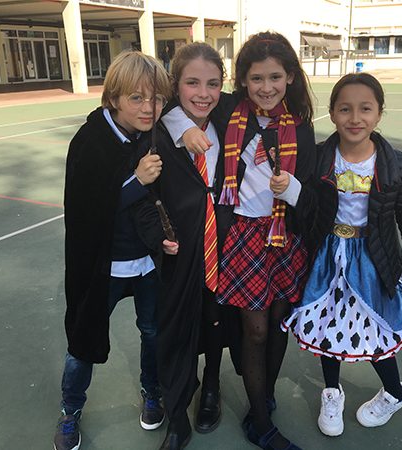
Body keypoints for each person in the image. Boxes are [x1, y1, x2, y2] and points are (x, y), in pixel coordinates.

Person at [165, 32, 316, 450]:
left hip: (285, 236)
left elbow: (313, 198)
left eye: (275, 77)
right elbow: (173, 108)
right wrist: (184, 129)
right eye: (256, 78)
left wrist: (293, 189)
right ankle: (261, 425)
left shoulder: (301, 127)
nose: (266, 87)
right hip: (243, 235)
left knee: (279, 324)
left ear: (290, 77)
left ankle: (262, 397)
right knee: (256, 330)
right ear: (243, 81)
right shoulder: (231, 110)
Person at [282, 72, 402, 437]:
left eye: (365, 109)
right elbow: (306, 209)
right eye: (345, 109)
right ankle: (332, 392)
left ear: (379, 113)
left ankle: (394, 392)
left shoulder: (398, 166)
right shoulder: (318, 158)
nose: (355, 118)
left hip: (373, 259)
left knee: (376, 330)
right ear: (332, 113)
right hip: (327, 256)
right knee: (326, 325)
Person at [53, 50, 177, 450]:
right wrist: (136, 181)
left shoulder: (154, 134)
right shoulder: (90, 141)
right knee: (83, 339)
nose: (148, 108)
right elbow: (87, 212)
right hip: (102, 266)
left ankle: (152, 392)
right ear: (113, 98)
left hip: (146, 263)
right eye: (136, 98)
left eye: (156, 98)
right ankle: (70, 410)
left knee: (152, 332)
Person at [143, 42, 241, 450]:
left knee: (215, 320)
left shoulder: (230, 118)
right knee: (176, 330)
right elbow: (144, 199)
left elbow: (267, 99)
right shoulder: (158, 131)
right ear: (175, 86)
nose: (203, 93)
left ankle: (212, 387)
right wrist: (179, 123)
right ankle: (178, 413)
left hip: (224, 244)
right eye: (192, 83)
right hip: (180, 251)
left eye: (213, 84)